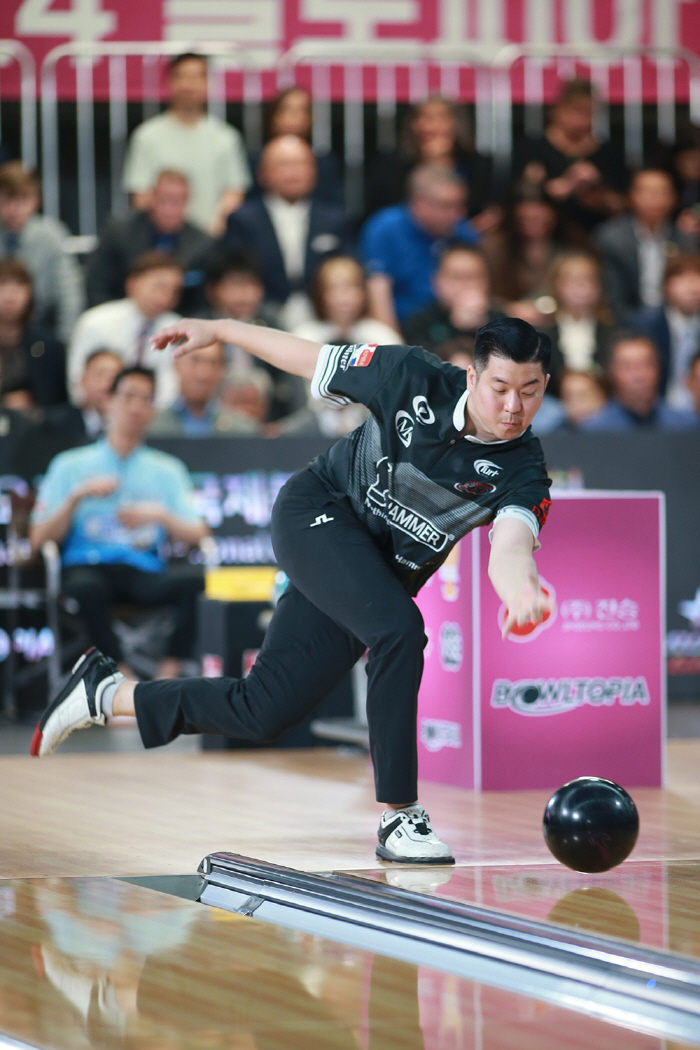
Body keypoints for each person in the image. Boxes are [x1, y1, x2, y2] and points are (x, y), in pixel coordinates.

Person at [31, 315, 554, 868]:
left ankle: (105, 693)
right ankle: (401, 815)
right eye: (500, 389)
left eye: (530, 391)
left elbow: (511, 545)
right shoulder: (409, 374)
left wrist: (520, 591)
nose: (513, 408)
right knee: (400, 629)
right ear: (472, 377)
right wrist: (224, 330)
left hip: (372, 573)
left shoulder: (524, 469)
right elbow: (311, 357)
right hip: (318, 512)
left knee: (265, 709)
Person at [29, 365, 209, 681]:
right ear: (108, 401)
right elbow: (37, 538)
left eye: (147, 399)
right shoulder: (70, 465)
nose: (137, 407)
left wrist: (160, 515)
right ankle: (121, 679)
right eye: (128, 396)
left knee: (198, 583)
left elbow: (199, 533)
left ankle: (168, 674)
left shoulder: (167, 469)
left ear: (154, 409)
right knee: (86, 589)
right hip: (87, 564)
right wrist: (77, 497)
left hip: (142, 569)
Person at [221, 135, 352, 330]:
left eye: (300, 164)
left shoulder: (335, 220)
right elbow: (234, 275)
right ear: (262, 173)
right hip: (259, 319)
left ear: (314, 171)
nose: (293, 172)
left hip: (325, 317)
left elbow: (348, 271)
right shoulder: (242, 220)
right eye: (283, 164)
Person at [122, 53, 251, 236]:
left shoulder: (226, 137)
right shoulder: (147, 136)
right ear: (169, 82)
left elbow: (233, 192)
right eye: (181, 76)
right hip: (159, 240)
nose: (188, 85)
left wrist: (211, 233)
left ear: (208, 83)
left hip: (211, 239)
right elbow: (141, 195)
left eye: (196, 77)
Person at [360, 165, 479, 333]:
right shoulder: (385, 228)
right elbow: (378, 296)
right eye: (446, 206)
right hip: (401, 330)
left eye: (460, 205)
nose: (456, 214)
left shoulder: (463, 233)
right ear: (418, 202)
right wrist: (394, 351)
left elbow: (480, 288)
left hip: (451, 331)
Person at [86, 170, 214, 314]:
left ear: (187, 202)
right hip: (121, 315)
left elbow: (203, 299)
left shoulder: (202, 244)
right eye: (164, 199)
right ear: (152, 197)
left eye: (177, 201)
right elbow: (97, 283)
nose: (169, 209)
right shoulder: (119, 232)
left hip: (177, 321)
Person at [68, 252, 182, 409]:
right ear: (133, 283)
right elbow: (77, 382)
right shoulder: (95, 322)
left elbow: (172, 386)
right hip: (98, 415)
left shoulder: (177, 329)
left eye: (174, 291)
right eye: (159, 286)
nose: (166, 297)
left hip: (153, 419)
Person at [512, 78, 628, 232]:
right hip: (547, 232)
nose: (582, 121)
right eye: (576, 111)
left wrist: (597, 190)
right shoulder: (531, 148)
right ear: (556, 110)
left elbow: (623, 203)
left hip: (597, 229)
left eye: (589, 113)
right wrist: (562, 185)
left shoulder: (607, 151)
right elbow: (516, 198)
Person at [365, 95, 497, 227]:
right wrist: (430, 163)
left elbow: (484, 210)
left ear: (456, 123)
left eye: (439, 118)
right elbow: (385, 209)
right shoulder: (393, 163)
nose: (428, 127)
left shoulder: (477, 164)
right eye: (421, 118)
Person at [204, 251, 305, 422]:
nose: (245, 294)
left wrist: (287, 427)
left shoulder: (272, 325)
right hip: (211, 420)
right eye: (236, 284)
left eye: (252, 285)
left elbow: (293, 383)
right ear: (214, 289)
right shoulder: (203, 326)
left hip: (269, 422)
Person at [594, 168, 698, 323]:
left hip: (676, 320)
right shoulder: (611, 238)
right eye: (647, 192)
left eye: (663, 192)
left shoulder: (686, 240)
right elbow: (611, 295)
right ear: (630, 196)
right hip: (624, 320)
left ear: (674, 198)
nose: (655, 199)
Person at [0, 162, 84, 342]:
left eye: (23, 199)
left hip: (39, 329)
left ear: (36, 201)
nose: (15, 209)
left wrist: (65, 345)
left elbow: (68, 295)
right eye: (7, 200)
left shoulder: (51, 235)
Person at [482, 183, 581, 326]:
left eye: (540, 219)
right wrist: (507, 308)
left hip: (563, 322)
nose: (533, 226)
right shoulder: (493, 248)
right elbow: (482, 291)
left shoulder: (571, 245)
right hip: (506, 324)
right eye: (525, 220)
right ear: (514, 218)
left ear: (554, 215)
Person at [580, 332, 699, 431]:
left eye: (646, 364)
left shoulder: (687, 426)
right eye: (627, 367)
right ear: (611, 373)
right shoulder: (595, 431)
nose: (638, 375)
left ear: (658, 368)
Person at [248, 86, 344, 207]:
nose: (294, 117)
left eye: (302, 110)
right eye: (285, 109)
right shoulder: (257, 159)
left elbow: (333, 205)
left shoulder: (325, 161)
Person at [630, 253, 700, 411]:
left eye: (698, 277)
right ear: (665, 286)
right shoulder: (645, 326)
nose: (693, 286)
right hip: (657, 408)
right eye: (682, 277)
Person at [402, 244, 504, 351]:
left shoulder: (501, 321)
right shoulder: (418, 323)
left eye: (472, 277)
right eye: (457, 277)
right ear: (437, 280)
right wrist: (457, 328)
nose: (465, 285)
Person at [148, 339, 260, 436]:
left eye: (213, 363)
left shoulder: (242, 430)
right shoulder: (150, 425)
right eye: (195, 360)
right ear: (176, 364)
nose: (203, 373)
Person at [540, 251, 616, 393]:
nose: (582, 287)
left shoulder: (612, 332)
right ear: (556, 285)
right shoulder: (542, 334)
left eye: (589, 280)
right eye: (574, 281)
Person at [0, 258, 67, 408]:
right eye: (2, 284)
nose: (10, 295)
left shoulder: (50, 348)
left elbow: (59, 404)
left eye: (19, 284)